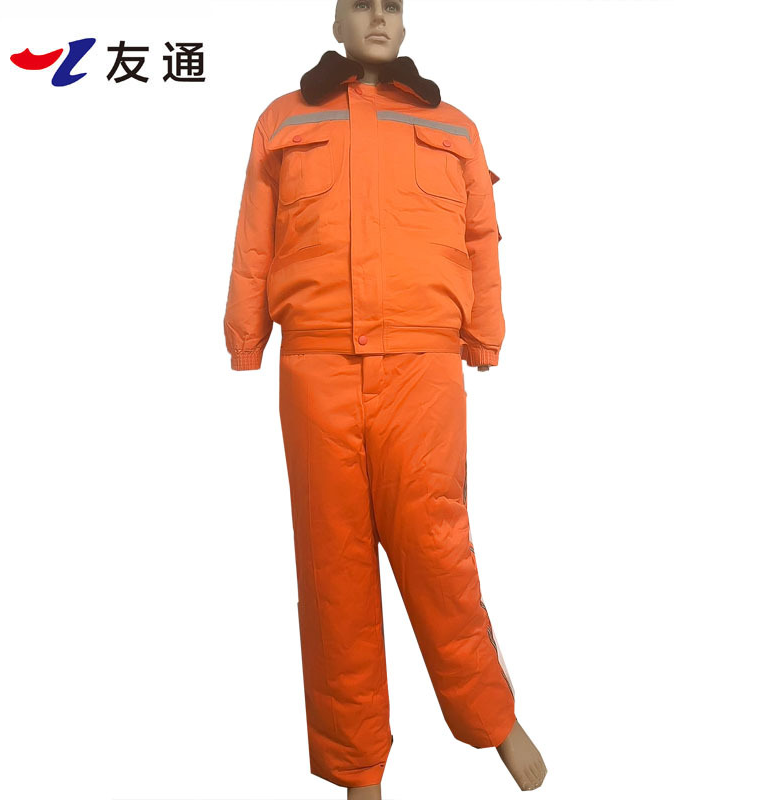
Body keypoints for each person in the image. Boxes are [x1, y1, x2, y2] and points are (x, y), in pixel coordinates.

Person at [223, 1, 547, 796]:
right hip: (317, 368)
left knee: (438, 550)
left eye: (391, 5)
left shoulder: (455, 128)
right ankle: (356, 765)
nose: (377, 17)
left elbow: (480, 238)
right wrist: (245, 336)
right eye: (360, 4)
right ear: (335, 23)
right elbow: (255, 237)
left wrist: (486, 336)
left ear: (405, 25)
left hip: (421, 369)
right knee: (331, 568)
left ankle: (491, 718)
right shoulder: (283, 120)